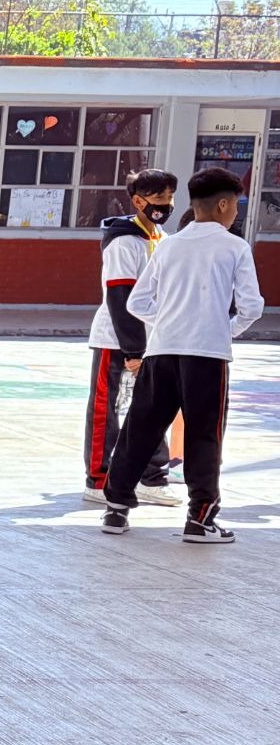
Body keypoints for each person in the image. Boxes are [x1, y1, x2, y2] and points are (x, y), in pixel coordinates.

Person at [103, 168, 264, 546]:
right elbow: (252, 306)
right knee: (204, 435)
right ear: (223, 204)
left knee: (140, 428)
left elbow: (137, 302)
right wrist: (224, 329)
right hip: (206, 355)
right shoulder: (234, 247)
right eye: (235, 205)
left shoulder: (169, 245)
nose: (235, 212)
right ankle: (200, 518)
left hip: (162, 350)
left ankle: (116, 509)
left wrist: (170, 321)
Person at [82, 170, 180, 508]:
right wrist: (133, 349)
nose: (164, 204)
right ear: (138, 201)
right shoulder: (124, 242)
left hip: (156, 339)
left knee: (153, 409)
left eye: (169, 197)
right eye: (158, 197)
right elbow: (120, 296)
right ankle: (99, 478)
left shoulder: (164, 239)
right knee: (106, 409)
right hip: (117, 339)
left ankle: (152, 477)